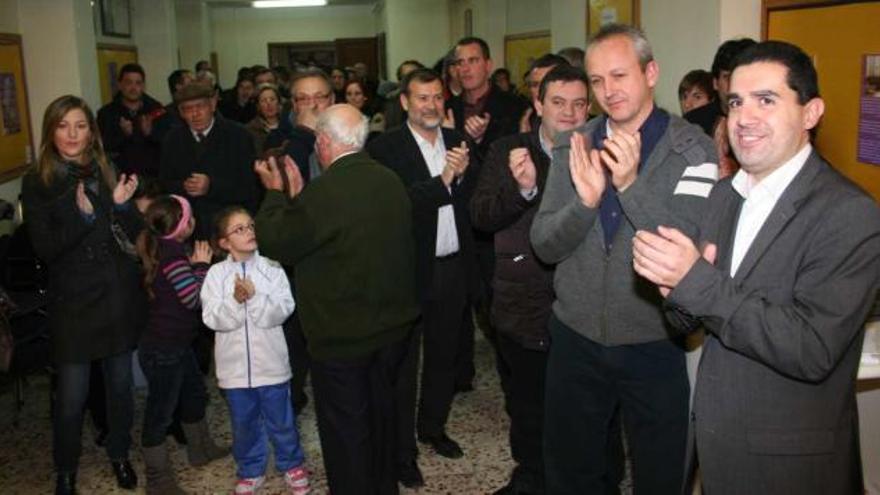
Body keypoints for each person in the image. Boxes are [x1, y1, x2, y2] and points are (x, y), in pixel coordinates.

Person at [632, 40, 880, 495]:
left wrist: (696, 283)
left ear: (811, 113)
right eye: (736, 102)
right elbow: (693, 316)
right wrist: (673, 290)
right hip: (716, 447)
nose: (744, 118)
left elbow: (811, 348)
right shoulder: (725, 196)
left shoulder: (850, 213)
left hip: (790, 466)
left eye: (766, 100)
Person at [530, 24, 718, 494]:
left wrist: (631, 185)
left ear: (650, 72)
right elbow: (545, 244)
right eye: (596, 81)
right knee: (572, 472)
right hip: (575, 338)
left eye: (619, 75)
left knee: (661, 472)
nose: (608, 91)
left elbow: (685, 250)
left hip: (653, 341)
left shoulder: (692, 150)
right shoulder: (572, 144)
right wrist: (586, 203)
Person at [254, 104, 420, 495]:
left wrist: (276, 195)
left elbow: (279, 242)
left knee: (347, 435)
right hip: (393, 330)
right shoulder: (389, 180)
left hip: (343, 338)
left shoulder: (326, 191)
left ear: (324, 142)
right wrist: (298, 199)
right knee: (381, 420)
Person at [471, 64, 590, 495]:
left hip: (583, 309)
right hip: (523, 307)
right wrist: (522, 191)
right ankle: (531, 477)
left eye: (579, 104)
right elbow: (481, 215)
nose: (569, 114)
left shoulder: (604, 152)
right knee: (527, 405)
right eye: (558, 103)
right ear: (539, 105)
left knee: (583, 409)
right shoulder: (510, 149)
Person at [22, 95, 145, 495]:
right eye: (63, 126)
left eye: (80, 125)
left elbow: (129, 231)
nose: (72, 134)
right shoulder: (38, 179)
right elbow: (45, 248)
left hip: (115, 295)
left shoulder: (106, 168)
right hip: (73, 302)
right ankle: (66, 471)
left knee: (121, 389)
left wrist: (125, 208)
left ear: (92, 131)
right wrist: (84, 217)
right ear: (50, 131)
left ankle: (120, 454)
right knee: (71, 399)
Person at [367, 68, 478, 488]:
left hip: (452, 267)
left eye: (437, 98)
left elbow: (476, 200)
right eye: (422, 98)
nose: (431, 105)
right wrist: (445, 179)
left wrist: (464, 175)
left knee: (444, 356)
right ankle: (401, 452)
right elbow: (396, 205)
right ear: (405, 103)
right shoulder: (384, 149)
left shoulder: (456, 143)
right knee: (403, 365)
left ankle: (433, 427)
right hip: (408, 272)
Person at [201, 207, 309, 495]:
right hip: (234, 372)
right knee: (244, 423)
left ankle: (292, 464)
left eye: (251, 226)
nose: (249, 232)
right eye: (239, 229)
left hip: (272, 366)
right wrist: (236, 301)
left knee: (282, 420)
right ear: (224, 242)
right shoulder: (215, 274)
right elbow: (211, 318)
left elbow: (283, 309)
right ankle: (250, 468)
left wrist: (255, 298)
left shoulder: (272, 268)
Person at [135, 195, 228, 494]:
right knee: (159, 414)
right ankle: (158, 481)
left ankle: (201, 450)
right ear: (182, 227)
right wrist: (201, 266)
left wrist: (195, 265)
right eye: (190, 218)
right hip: (163, 349)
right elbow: (191, 299)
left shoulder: (167, 248)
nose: (194, 221)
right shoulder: (173, 255)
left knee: (194, 395)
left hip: (175, 344)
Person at [159, 82, 258, 240]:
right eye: (188, 109)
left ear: (212, 105)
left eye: (200, 106)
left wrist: (211, 186)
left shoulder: (239, 136)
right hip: (189, 231)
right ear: (180, 112)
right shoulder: (173, 139)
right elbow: (164, 183)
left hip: (228, 229)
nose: (195, 114)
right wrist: (183, 186)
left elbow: (250, 188)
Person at [684, 38, 757, 178]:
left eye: (744, 76)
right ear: (715, 83)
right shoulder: (692, 123)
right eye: (728, 77)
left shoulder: (767, 120)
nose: (736, 84)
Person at [96, 63, 164, 177]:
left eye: (138, 83)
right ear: (120, 84)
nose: (133, 88)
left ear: (143, 86)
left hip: (154, 179)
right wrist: (124, 135)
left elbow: (168, 144)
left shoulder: (157, 110)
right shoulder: (106, 113)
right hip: (121, 179)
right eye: (128, 83)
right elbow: (101, 149)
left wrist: (150, 133)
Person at [519, 53, 570, 133]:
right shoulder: (526, 120)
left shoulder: (590, 129)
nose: (539, 91)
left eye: (545, 84)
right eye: (535, 85)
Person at [245, 83, 291, 155]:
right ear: (258, 106)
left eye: (272, 99)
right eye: (263, 100)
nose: (269, 104)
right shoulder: (250, 130)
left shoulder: (290, 124)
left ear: (279, 103)